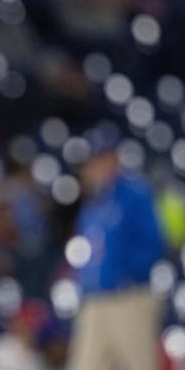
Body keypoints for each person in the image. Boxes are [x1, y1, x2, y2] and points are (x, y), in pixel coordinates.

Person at [66, 126, 164, 370]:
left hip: (128, 298)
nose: (95, 166)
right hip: (94, 301)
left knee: (140, 364)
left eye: (101, 158)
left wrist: (125, 275)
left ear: (114, 158)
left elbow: (153, 243)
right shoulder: (92, 206)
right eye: (92, 161)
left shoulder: (135, 194)